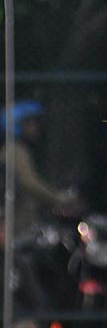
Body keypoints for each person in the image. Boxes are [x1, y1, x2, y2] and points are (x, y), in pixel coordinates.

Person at [0, 101, 78, 237]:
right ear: (16, 125)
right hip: (17, 223)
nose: (36, 128)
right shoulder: (14, 150)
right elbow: (29, 182)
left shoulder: (19, 149)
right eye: (30, 123)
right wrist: (59, 198)